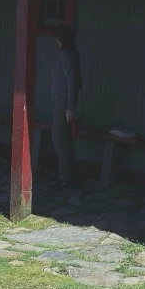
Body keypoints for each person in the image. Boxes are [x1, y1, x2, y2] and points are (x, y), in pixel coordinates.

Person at [50, 24, 82, 186]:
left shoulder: (66, 56)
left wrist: (70, 106)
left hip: (63, 101)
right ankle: (68, 171)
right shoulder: (72, 55)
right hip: (64, 100)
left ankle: (64, 174)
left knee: (58, 135)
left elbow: (72, 81)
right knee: (65, 137)